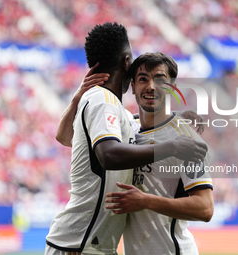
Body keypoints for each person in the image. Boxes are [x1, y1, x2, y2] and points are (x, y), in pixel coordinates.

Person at [46, 22, 208, 255]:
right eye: (142, 78)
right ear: (126, 63)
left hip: (94, 244)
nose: (151, 86)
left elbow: (63, 136)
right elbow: (105, 152)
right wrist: (172, 146)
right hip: (79, 244)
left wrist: (174, 120)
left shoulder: (122, 116)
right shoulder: (103, 100)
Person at [105, 52, 214, 255]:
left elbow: (205, 208)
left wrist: (146, 200)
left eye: (160, 81)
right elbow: (66, 138)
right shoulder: (129, 129)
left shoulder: (187, 140)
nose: (151, 87)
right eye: (143, 79)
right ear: (133, 87)